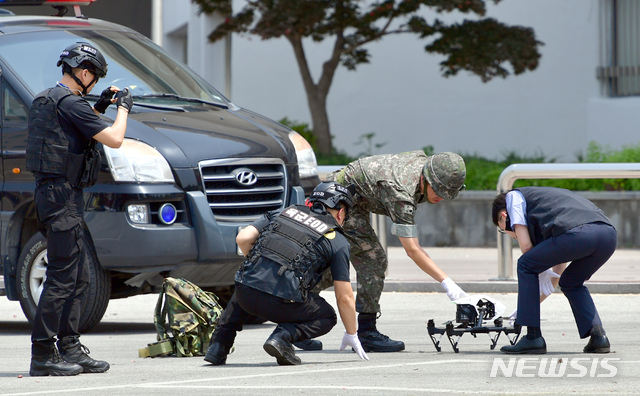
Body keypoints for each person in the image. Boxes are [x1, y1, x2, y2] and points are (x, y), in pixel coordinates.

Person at [26, 42, 133, 376]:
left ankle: (69, 347)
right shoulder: (70, 103)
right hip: (61, 198)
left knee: (79, 276)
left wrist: (100, 105)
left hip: (55, 194)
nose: (96, 83)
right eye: (95, 78)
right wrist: (124, 108)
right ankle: (43, 354)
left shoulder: (51, 99)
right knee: (61, 278)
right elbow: (114, 138)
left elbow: (76, 130)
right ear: (84, 73)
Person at [310, 151, 468, 353]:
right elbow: (412, 249)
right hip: (338, 200)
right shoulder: (401, 192)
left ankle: (298, 314)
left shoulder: (426, 167)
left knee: (344, 261)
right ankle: (364, 331)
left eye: (447, 194)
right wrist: (448, 283)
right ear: (425, 178)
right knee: (372, 260)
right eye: (438, 190)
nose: (441, 197)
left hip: (355, 196)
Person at [204, 181, 369, 366]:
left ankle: (218, 347)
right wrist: (351, 334)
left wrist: (260, 264)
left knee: (251, 280)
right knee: (326, 316)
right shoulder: (337, 240)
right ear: (341, 212)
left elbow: (243, 238)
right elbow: (344, 296)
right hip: (282, 303)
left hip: (245, 297)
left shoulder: (284, 212)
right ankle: (282, 337)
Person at [492, 186, 616, 354]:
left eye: (502, 228)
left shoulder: (513, 197)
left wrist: (526, 312)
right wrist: (530, 304)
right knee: (571, 282)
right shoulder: (547, 207)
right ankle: (598, 337)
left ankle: (533, 336)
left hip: (578, 234)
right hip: (607, 235)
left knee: (525, 264)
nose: (509, 232)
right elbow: (559, 266)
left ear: (503, 216)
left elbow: (527, 248)